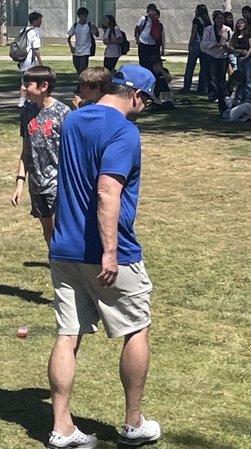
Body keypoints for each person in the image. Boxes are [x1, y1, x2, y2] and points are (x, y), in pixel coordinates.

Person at [47, 64, 161, 449]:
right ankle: (133, 423)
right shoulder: (124, 131)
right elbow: (107, 192)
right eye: (147, 100)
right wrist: (111, 252)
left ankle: (61, 427)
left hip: (64, 248)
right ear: (137, 96)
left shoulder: (75, 120)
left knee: (68, 334)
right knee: (136, 327)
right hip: (109, 252)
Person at [11, 65, 70, 248]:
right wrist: (20, 183)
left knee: (59, 228)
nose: (24, 89)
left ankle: (66, 265)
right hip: (36, 184)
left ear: (44, 86)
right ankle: (55, 263)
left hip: (57, 182)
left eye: (28, 85)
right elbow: (25, 150)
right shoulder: (27, 112)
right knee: (47, 229)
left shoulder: (63, 113)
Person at [200, 11, 232, 106]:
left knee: (221, 77)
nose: (220, 20)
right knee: (212, 76)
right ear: (214, 19)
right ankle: (213, 95)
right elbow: (204, 43)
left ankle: (222, 95)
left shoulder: (228, 29)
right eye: (218, 18)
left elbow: (231, 41)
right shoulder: (208, 29)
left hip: (223, 55)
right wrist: (214, 44)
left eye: (221, 18)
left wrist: (226, 45)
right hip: (211, 55)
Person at [181, 4, 211, 94]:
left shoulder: (197, 20)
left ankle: (186, 87)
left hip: (197, 43)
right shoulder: (208, 21)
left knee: (190, 66)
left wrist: (190, 43)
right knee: (204, 67)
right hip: (205, 44)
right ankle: (203, 88)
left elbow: (194, 32)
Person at [229, 17, 251, 100]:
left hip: (248, 58)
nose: (239, 25)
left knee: (248, 78)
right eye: (238, 23)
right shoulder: (235, 35)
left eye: (241, 23)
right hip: (239, 58)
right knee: (240, 78)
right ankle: (240, 96)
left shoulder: (249, 35)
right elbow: (231, 46)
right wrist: (238, 51)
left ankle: (248, 96)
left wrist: (246, 56)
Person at [67, 8, 99, 76]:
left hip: (85, 50)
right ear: (79, 16)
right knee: (78, 69)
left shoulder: (89, 25)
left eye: (85, 16)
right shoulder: (75, 25)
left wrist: (95, 28)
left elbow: (97, 34)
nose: (84, 18)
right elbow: (69, 37)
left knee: (82, 69)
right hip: (76, 50)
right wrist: (71, 47)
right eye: (82, 16)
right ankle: (81, 82)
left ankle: (81, 84)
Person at [134, 4, 164, 71]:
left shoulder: (157, 21)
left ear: (155, 11)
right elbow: (137, 28)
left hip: (153, 44)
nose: (150, 13)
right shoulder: (144, 19)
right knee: (143, 62)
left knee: (153, 62)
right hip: (143, 43)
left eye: (152, 11)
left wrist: (162, 46)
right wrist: (137, 39)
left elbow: (160, 34)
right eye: (149, 11)